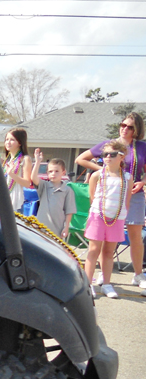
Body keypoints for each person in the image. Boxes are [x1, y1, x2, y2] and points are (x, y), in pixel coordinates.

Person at [76, 112, 146, 287]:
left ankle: (138, 274)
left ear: (137, 129)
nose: (125, 129)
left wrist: (143, 182)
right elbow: (80, 159)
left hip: (133, 194)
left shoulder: (142, 147)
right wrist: (102, 169)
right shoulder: (109, 146)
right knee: (106, 236)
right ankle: (103, 275)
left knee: (135, 235)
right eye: (123, 125)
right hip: (110, 194)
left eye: (130, 127)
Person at [83, 141, 132, 299]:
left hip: (117, 218)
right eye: (105, 154)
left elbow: (127, 199)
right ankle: (88, 284)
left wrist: (122, 215)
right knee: (93, 250)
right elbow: (92, 197)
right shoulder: (97, 175)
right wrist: (98, 212)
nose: (108, 157)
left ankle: (107, 284)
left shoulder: (127, 177)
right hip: (98, 216)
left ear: (121, 156)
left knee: (109, 252)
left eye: (112, 154)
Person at [11, 154, 75, 240]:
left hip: (58, 229)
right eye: (50, 171)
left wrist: (66, 227)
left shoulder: (67, 190)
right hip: (41, 227)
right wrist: (37, 162)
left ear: (63, 172)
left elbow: (69, 211)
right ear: (47, 172)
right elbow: (33, 178)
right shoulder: (44, 186)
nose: (53, 174)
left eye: (57, 171)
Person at [0, 129, 32, 212]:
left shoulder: (25, 159)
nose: (8, 142)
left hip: (16, 202)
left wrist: (12, 174)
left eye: (12, 140)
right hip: (3, 200)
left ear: (20, 142)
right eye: (7, 139)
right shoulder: (7, 160)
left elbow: (27, 183)